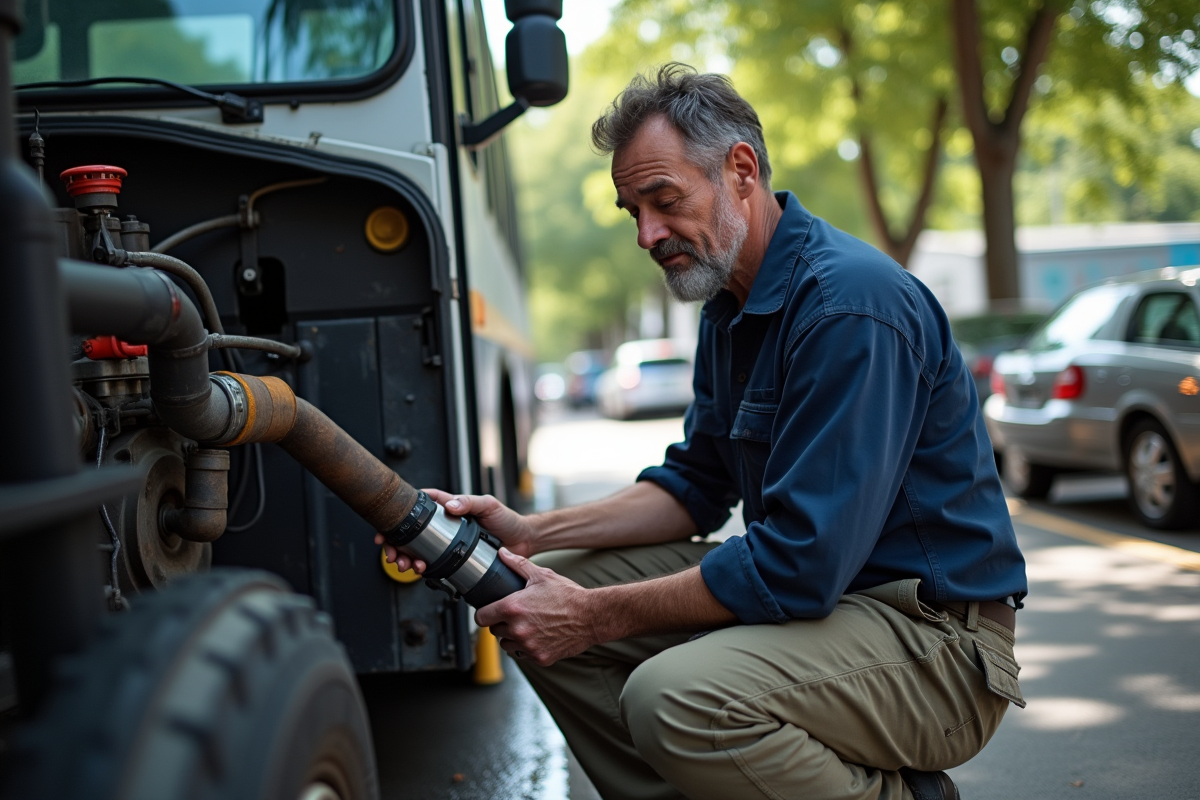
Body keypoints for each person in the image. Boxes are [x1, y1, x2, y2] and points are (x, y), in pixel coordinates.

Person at [379, 63, 1027, 800]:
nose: (648, 234)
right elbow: (694, 486)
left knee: (676, 698)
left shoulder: (850, 308)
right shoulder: (730, 305)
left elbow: (799, 565)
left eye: (664, 200)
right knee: (523, 596)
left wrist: (590, 618)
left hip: (937, 649)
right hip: (835, 611)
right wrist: (531, 533)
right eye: (633, 212)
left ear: (740, 170)